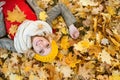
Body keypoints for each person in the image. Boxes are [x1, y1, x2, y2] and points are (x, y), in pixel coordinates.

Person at [0, 0, 79, 62]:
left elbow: (1, 39)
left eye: (41, 51)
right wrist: (71, 26)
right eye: (47, 45)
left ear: (35, 52)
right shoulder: (43, 24)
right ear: (48, 40)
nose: (41, 45)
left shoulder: (18, 46)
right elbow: (60, 7)